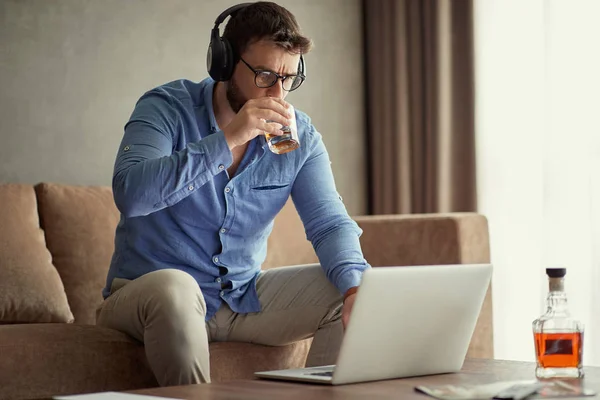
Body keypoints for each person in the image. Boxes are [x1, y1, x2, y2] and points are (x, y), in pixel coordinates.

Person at [96, 1, 371, 387]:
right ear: (224, 65)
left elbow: (328, 224)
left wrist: (356, 285)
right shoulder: (166, 108)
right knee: (176, 287)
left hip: (239, 297)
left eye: (288, 77)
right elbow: (132, 193)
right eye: (264, 75)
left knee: (350, 289)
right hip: (149, 295)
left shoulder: (301, 135)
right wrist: (228, 140)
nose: (278, 92)